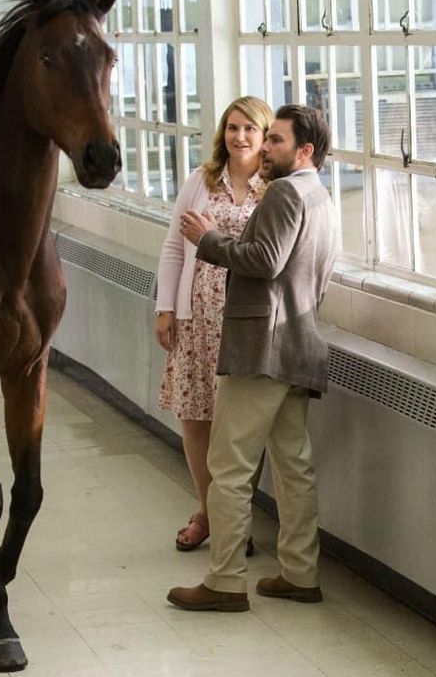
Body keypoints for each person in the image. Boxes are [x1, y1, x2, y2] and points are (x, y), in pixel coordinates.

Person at [166, 104, 339, 612]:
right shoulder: (321, 196)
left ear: (304, 151)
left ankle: (224, 582)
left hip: (261, 347)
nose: (265, 147)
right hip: (298, 344)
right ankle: (300, 574)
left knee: (230, 465)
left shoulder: (285, 191)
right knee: (293, 466)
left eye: (276, 141)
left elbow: (265, 261)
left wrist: (208, 240)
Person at [154, 96, 274, 552]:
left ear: (264, 138)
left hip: (244, 323)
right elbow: (171, 247)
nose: (239, 137)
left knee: (239, 427)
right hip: (195, 318)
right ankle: (209, 513)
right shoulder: (201, 181)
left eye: (249, 129)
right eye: (232, 127)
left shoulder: (273, 189)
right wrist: (165, 308)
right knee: (196, 418)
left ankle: (233, 521)